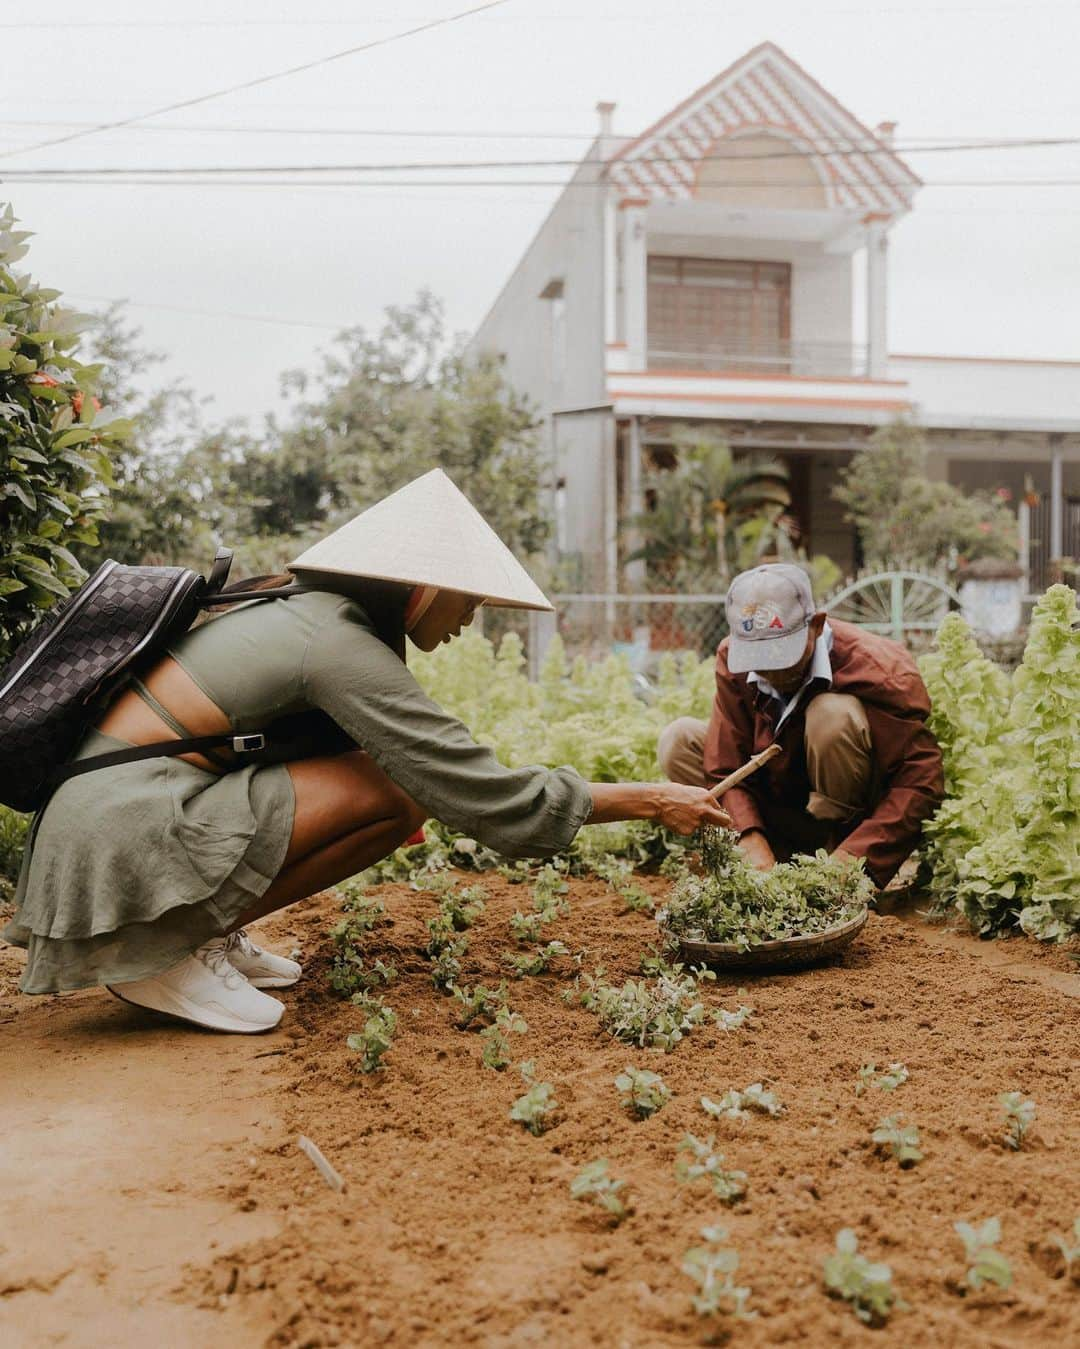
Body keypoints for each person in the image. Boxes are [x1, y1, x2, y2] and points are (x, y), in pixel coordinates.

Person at [4, 470, 731, 1034]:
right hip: (121, 826)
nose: (470, 621)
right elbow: (474, 790)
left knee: (388, 786)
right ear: (421, 586)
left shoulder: (311, 612)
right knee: (396, 792)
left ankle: (200, 929)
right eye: (468, 601)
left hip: (124, 815)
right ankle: (162, 951)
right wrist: (650, 799)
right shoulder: (334, 640)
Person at [657, 563, 944, 889]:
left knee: (830, 714)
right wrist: (746, 833)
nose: (771, 671)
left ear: (817, 625)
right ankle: (766, 858)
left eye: (780, 654)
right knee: (679, 741)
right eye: (757, 657)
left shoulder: (879, 668)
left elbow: (919, 780)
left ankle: (831, 865)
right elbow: (725, 764)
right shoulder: (731, 660)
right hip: (778, 806)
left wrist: (856, 858)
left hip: (848, 821)